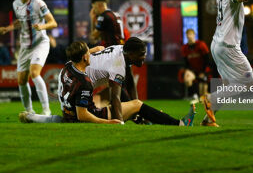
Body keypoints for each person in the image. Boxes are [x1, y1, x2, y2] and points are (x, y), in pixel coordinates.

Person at [19, 41, 195, 126]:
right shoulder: (95, 78)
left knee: (133, 106)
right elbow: (113, 99)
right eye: (141, 54)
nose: (144, 57)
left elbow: (126, 84)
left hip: (68, 108)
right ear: (131, 54)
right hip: (82, 112)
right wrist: (117, 122)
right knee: (137, 104)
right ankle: (180, 124)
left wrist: (93, 50)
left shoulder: (67, 67)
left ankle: (34, 117)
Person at [0, 0, 57, 115]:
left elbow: (53, 22)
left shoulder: (38, 3)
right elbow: (21, 20)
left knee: (34, 73)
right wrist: (8, 28)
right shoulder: (16, 4)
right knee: (21, 80)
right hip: (25, 46)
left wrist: (42, 26)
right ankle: (29, 110)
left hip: (40, 43)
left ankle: (46, 110)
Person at [180, 29, 211, 99]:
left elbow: (207, 59)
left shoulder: (201, 45)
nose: (189, 36)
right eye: (188, 35)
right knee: (187, 78)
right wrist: (188, 71)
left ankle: (209, 95)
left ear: (194, 35)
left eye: (191, 34)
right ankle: (194, 94)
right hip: (193, 71)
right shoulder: (184, 47)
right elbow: (186, 62)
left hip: (203, 70)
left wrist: (203, 72)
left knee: (203, 94)